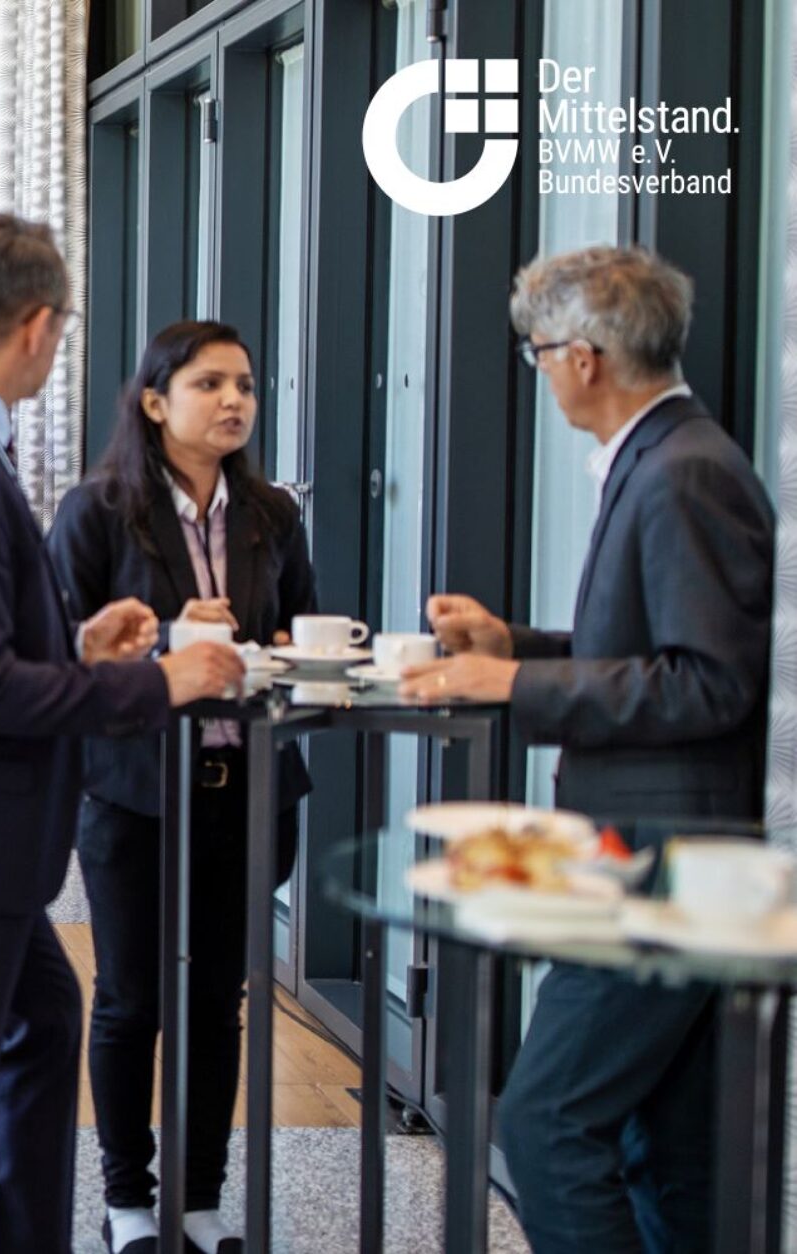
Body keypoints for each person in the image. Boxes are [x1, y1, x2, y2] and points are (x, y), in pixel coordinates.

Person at [0, 213, 243, 1254]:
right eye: (60, 332)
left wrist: (74, 643)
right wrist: (159, 682)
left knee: (44, 1027)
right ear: (35, 326)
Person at [405, 245, 772, 1254]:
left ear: (584, 358)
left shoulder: (687, 473)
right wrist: (514, 645)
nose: (540, 373)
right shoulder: (670, 459)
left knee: (546, 1122)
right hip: (677, 852)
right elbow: (651, 654)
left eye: (537, 354)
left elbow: (709, 682)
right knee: (668, 1146)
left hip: (661, 857)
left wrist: (513, 684)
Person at [47, 321, 318, 1254]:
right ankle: (129, 1201)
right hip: (133, 792)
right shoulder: (97, 511)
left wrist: (276, 655)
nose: (236, 400)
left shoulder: (272, 515)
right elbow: (56, 651)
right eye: (211, 384)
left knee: (219, 1002)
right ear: (156, 401)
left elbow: (301, 636)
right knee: (131, 998)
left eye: (245, 383)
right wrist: (170, 636)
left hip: (247, 788)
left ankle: (199, 1201)